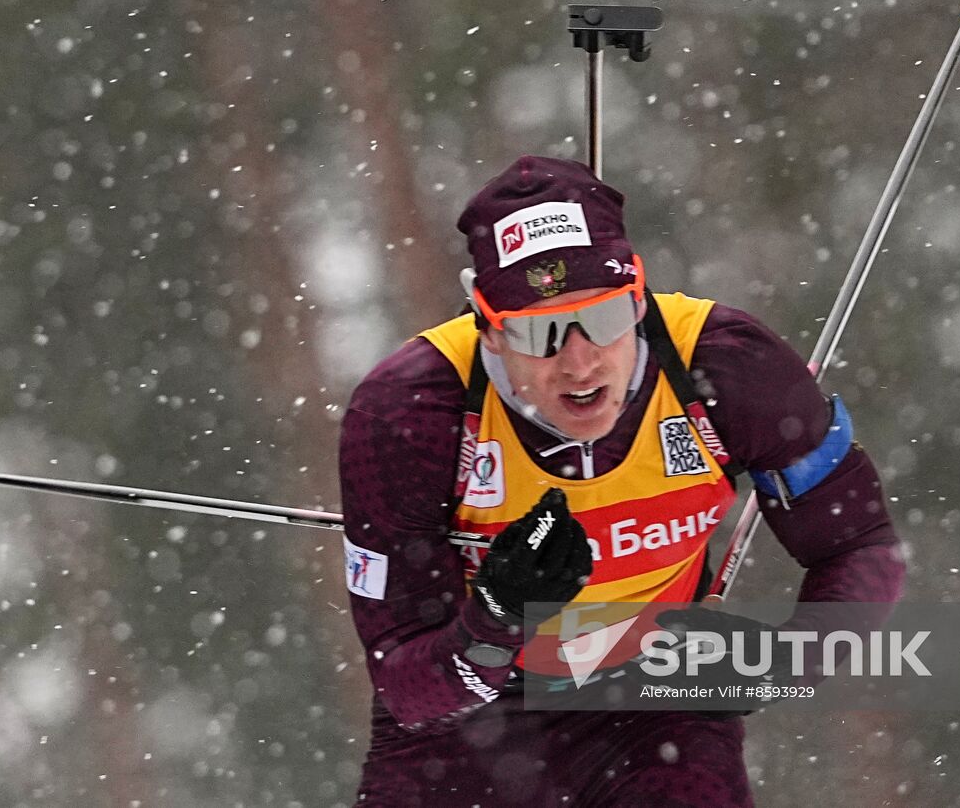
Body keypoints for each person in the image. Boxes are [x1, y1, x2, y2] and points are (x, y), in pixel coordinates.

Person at [339, 156, 905, 806]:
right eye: (540, 331)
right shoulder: (410, 411)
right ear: (489, 330)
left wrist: (785, 662)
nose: (580, 363)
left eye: (606, 318)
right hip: (471, 711)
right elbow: (408, 688)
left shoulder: (726, 363)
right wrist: (495, 619)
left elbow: (859, 544)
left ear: (638, 297)